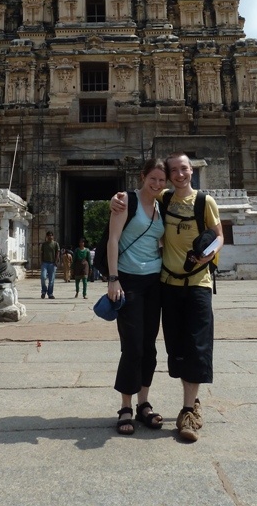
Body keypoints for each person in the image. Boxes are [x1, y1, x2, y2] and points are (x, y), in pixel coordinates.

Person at [111, 151, 223, 442]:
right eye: (166, 174)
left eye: (181, 170)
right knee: (152, 345)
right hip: (157, 282)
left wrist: (207, 255)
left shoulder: (199, 201)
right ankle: (130, 406)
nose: (175, 176)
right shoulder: (155, 200)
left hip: (187, 282)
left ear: (190, 171)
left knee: (185, 345)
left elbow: (219, 235)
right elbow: (123, 224)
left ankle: (183, 408)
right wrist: (115, 199)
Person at [106, 158, 167, 436]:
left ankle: (144, 403)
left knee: (150, 345)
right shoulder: (125, 201)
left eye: (161, 180)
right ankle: (126, 406)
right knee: (132, 345)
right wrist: (113, 278)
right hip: (128, 281)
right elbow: (113, 239)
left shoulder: (164, 204)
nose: (157, 184)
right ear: (142, 176)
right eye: (152, 178)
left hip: (155, 281)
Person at [40, 231, 60, 299]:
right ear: (46, 236)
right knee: (43, 277)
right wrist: (42, 261)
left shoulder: (55, 244)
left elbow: (57, 253)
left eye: (51, 235)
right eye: (48, 235)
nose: (50, 237)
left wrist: (56, 261)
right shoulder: (44, 244)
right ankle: (43, 291)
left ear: (53, 236)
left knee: (51, 280)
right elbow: (42, 253)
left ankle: (50, 293)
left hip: (52, 263)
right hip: (45, 263)